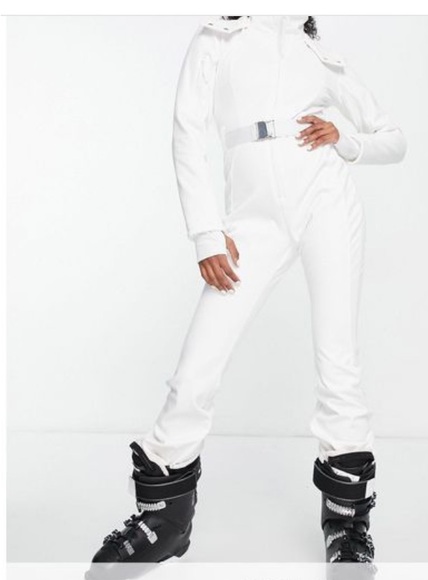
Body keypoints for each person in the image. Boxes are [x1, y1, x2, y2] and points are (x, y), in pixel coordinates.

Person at [87, 14, 406, 578]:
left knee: (338, 361)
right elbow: (187, 132)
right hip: (253, 219)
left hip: (328, 202)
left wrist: (346, 140)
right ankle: (165, 519)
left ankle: (346, 522)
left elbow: (394, 139)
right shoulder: (217, 37)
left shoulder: (318, 51)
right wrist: (207, 233)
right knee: (197, 367)